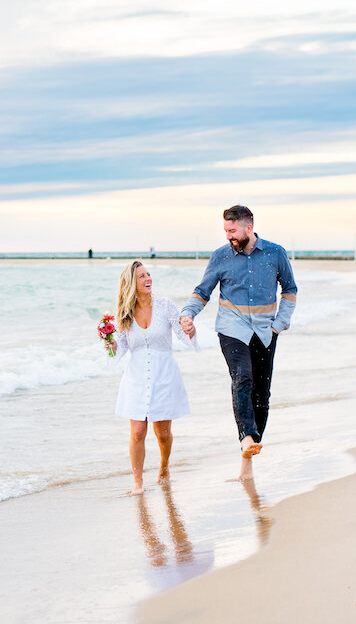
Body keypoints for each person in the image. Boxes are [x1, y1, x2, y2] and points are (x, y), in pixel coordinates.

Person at [179, 205, 297, 481]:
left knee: (262, 395)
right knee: (242, 377)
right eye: (226, 231)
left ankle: (249, 453)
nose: (229, 236)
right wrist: (187, 313)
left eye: (232, 231)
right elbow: (202, 291)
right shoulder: (221, 256)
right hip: (232, 328)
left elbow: (290, 288)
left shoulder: (275, 253)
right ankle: (245, 437)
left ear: (248, 227)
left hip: (266, 330)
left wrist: (280, 323)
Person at [108, 261, 198, 495]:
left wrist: (190, 329)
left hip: (164, 375)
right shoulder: (124, 314)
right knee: (137, 432)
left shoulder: (165, 306)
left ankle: (164, 466)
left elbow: (183, 334)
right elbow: (118, 350)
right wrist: (109, 341)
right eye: (141, 276)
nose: (148, 279)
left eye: (148, 274)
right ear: (131, 283)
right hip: (137, 377)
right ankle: (138, 482)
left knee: (163, 433)